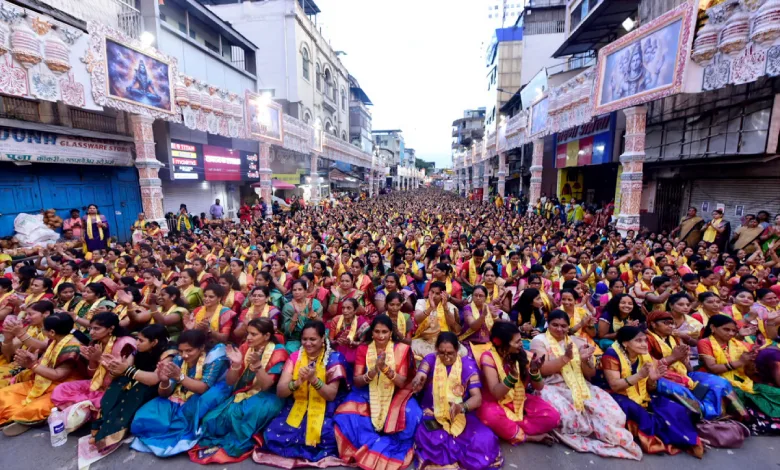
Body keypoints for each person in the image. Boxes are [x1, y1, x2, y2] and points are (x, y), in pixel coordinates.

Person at [530, 310, 641, 460]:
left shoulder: (576, 341)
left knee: (613, 414)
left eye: (563, 326)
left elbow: (590, 374)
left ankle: (600, 431)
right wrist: (565, 358)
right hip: (552, 385)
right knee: (567, 417)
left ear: (568, 327)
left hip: (581, 385)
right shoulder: (539, 340)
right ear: (547, 324)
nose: (559, 329)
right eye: (554, 325)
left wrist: (584, 360)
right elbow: (542, 370)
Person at [193, 318, 289, 464]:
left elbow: (266, 386)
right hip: (244, 391)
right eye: (248, 333)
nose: (248, 337)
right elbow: (231, 381)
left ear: (267, 336)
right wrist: (236, 365)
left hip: (268, 396)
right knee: (210, 421)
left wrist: (257, 365)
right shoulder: (245, 347)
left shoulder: (279, 352)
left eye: (254, 334)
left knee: (243, 418)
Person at [333, 315, 421, 470]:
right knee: (346, 416)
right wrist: (373, 371)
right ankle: (370, 445)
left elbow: (401, 382)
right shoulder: (363, 349)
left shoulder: (401, 349)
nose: (381, 336)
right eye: (377, 332)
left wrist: (385, 369)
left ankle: (385, 440)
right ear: (371, 333)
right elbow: (358, 380)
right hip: (366, 391)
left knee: (414, 415)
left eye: (385, 332)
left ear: (391, 333)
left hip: (395, 393)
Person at [256, 320, 349, 466]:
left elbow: (330, 394)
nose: (308, 343)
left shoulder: (333, 358)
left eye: (313, 339)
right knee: (273, 433)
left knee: (328, 437)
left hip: (325, 406)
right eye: (304, 339)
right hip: (299, 403)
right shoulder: (295, 357)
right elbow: (281, 391)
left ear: (322, 339)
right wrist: (297, 382)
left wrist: (313, 380)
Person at [601, 326, 704, 456]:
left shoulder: (645, 356)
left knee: (674, 409)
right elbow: (615, 385)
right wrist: (639, 375)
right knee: (641, 415)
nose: (644, 345)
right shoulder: (611, 355)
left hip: (641, 394)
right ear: (625, 343)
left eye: (645, 340)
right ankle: (665, 439)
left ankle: (687, 440)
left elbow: (649, 387)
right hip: (615, 394)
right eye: (638, 341)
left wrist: (652, 380)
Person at [410, 332, 503, 470]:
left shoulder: (467, 365)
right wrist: (419, 379)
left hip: (462, 415)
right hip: (434, 412)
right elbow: (421, 373)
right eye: (441, 353)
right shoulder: (431, 359)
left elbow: (477, 398)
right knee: (430, 437)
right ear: (436, 350)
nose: (446, 357)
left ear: (457, 351)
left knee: (485, 438)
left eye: (450, 353)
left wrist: (461, 407)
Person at [130, 329, 230, 456]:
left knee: (180, 423)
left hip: (202, 396)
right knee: (141, 420)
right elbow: (164, 394)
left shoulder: (214, 359)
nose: (184, 355)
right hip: (178, 397)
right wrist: (165, 381)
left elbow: (203, 388)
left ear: (201, 348)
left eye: (189, 351)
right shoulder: (178, 359)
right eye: (181, 351)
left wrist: (179, 377)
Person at [88, 325, 171, 453]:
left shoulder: (168, 354)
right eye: (137, 339)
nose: (137, 343)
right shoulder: (136, 350)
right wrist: (111, 364)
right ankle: (100, 429)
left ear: (154, 342)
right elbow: (125, 367)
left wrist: (125, 370)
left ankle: (110, 435)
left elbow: (155, 379)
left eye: (141, 340)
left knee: (132, 396)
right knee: (116, 388)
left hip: (153, 387)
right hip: (136, 380)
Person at [477, 322, 560, 445]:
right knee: (489, 416)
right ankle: (528, 436)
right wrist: (512, 377)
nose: (521, 344)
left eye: (520, 340)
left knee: (553, 417)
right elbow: (496, 394)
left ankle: (510, 430)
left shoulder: (523, 355)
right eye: (516, 342)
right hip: (495, 402)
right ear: (501, 343)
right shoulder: (488, 357)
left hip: (519, 399)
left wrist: (534, 371)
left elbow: (539, 387)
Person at [51, 312, 137, 431]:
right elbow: (92, 374)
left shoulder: (126, 343)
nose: (91, 332)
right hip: (97, 384)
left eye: (96, 329)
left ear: (111, 328)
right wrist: (92, 360)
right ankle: (83, 411)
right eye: (90, 328)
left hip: (117, 387)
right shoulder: (96, 343)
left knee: (103, 403)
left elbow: (124, 373)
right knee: (60, 389)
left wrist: (99, 358)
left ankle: (83, 411)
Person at [0, 313, 81, 436]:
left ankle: (22, 420)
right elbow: (41, 346)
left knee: (35, 408)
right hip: (43, 379)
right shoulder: (57, 339)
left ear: (52, 332)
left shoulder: (72, 348)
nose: (43, 331)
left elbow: (58, 375)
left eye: (44, 329)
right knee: (4, 394)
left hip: (64, 386)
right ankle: (20, 418)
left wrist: (32, 365)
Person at [697, 315, 780, 435]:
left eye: (733, 331)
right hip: (717, 380)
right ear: (713, 328)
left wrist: (751, 361)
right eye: (726, 329)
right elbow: (712, 368)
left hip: (743, 380)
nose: (731, 333)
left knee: (776, 393)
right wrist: (740, 362)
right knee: (741, 400)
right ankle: (759, 422)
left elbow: (749, 370)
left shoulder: (738, 344)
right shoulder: (704, 342)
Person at [412, 281, 464, 358]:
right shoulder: (421, 303)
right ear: (428, 292)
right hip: (425, 340)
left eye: (437, 293)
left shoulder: (450, 306)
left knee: (462, 352)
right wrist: (430, 308)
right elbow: (417, 319)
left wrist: (445, 308)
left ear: (443, 295)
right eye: (432, 292)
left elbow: (451, 323)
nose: (434, 296)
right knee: (415, 349)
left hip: (444, 341)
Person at [283, 280, 324, 353]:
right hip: (296, 339)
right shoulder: (288, 307)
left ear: (305, 291)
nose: (297, 292)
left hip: (314, 336)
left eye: (300, 289)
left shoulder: (315, 303)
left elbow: (321, 324)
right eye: (294, 290)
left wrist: (312, 314)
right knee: (290, 349)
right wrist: (296, 313)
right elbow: (287, 331)